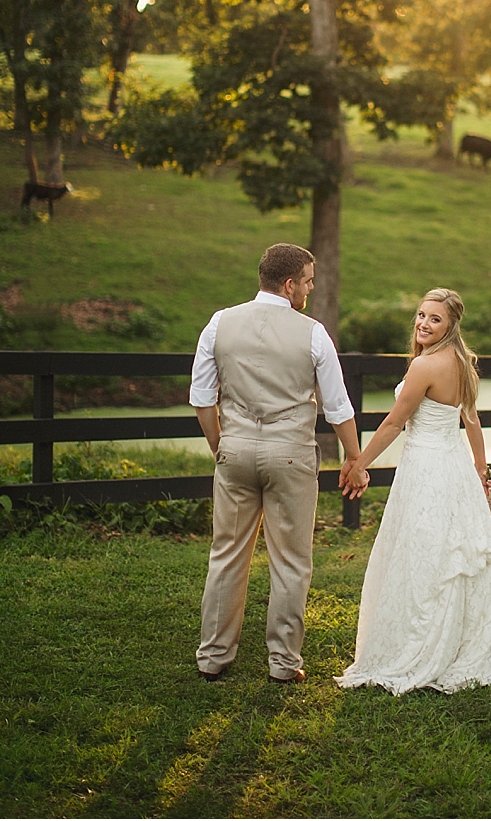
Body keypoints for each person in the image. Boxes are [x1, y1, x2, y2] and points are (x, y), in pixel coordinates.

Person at [191, 243, 367, 684]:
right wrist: (354, 458)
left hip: (235, 450)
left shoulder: (219, 323)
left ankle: (213, 656)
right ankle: (284, 663)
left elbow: (201, 398)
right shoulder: (313, 333)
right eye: (307, 280)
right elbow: (338, 407)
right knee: (290, 559)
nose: (310, 288)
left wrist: (221, 445)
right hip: (290, 454)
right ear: (289, 285)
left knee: (227, 554)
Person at [335, 288, 491, 695]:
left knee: (423, 555)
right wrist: (479, 469)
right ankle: (458, 645)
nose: (423, 323)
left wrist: (358, 463)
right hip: (453, 468)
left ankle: (422, 647)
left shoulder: (425, 367)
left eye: (434, 318)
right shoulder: (463, 363)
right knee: (448, 555)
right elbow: (471, 420)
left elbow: (392, 424)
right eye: (421, 315)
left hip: (426, 470)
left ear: (451, 324)